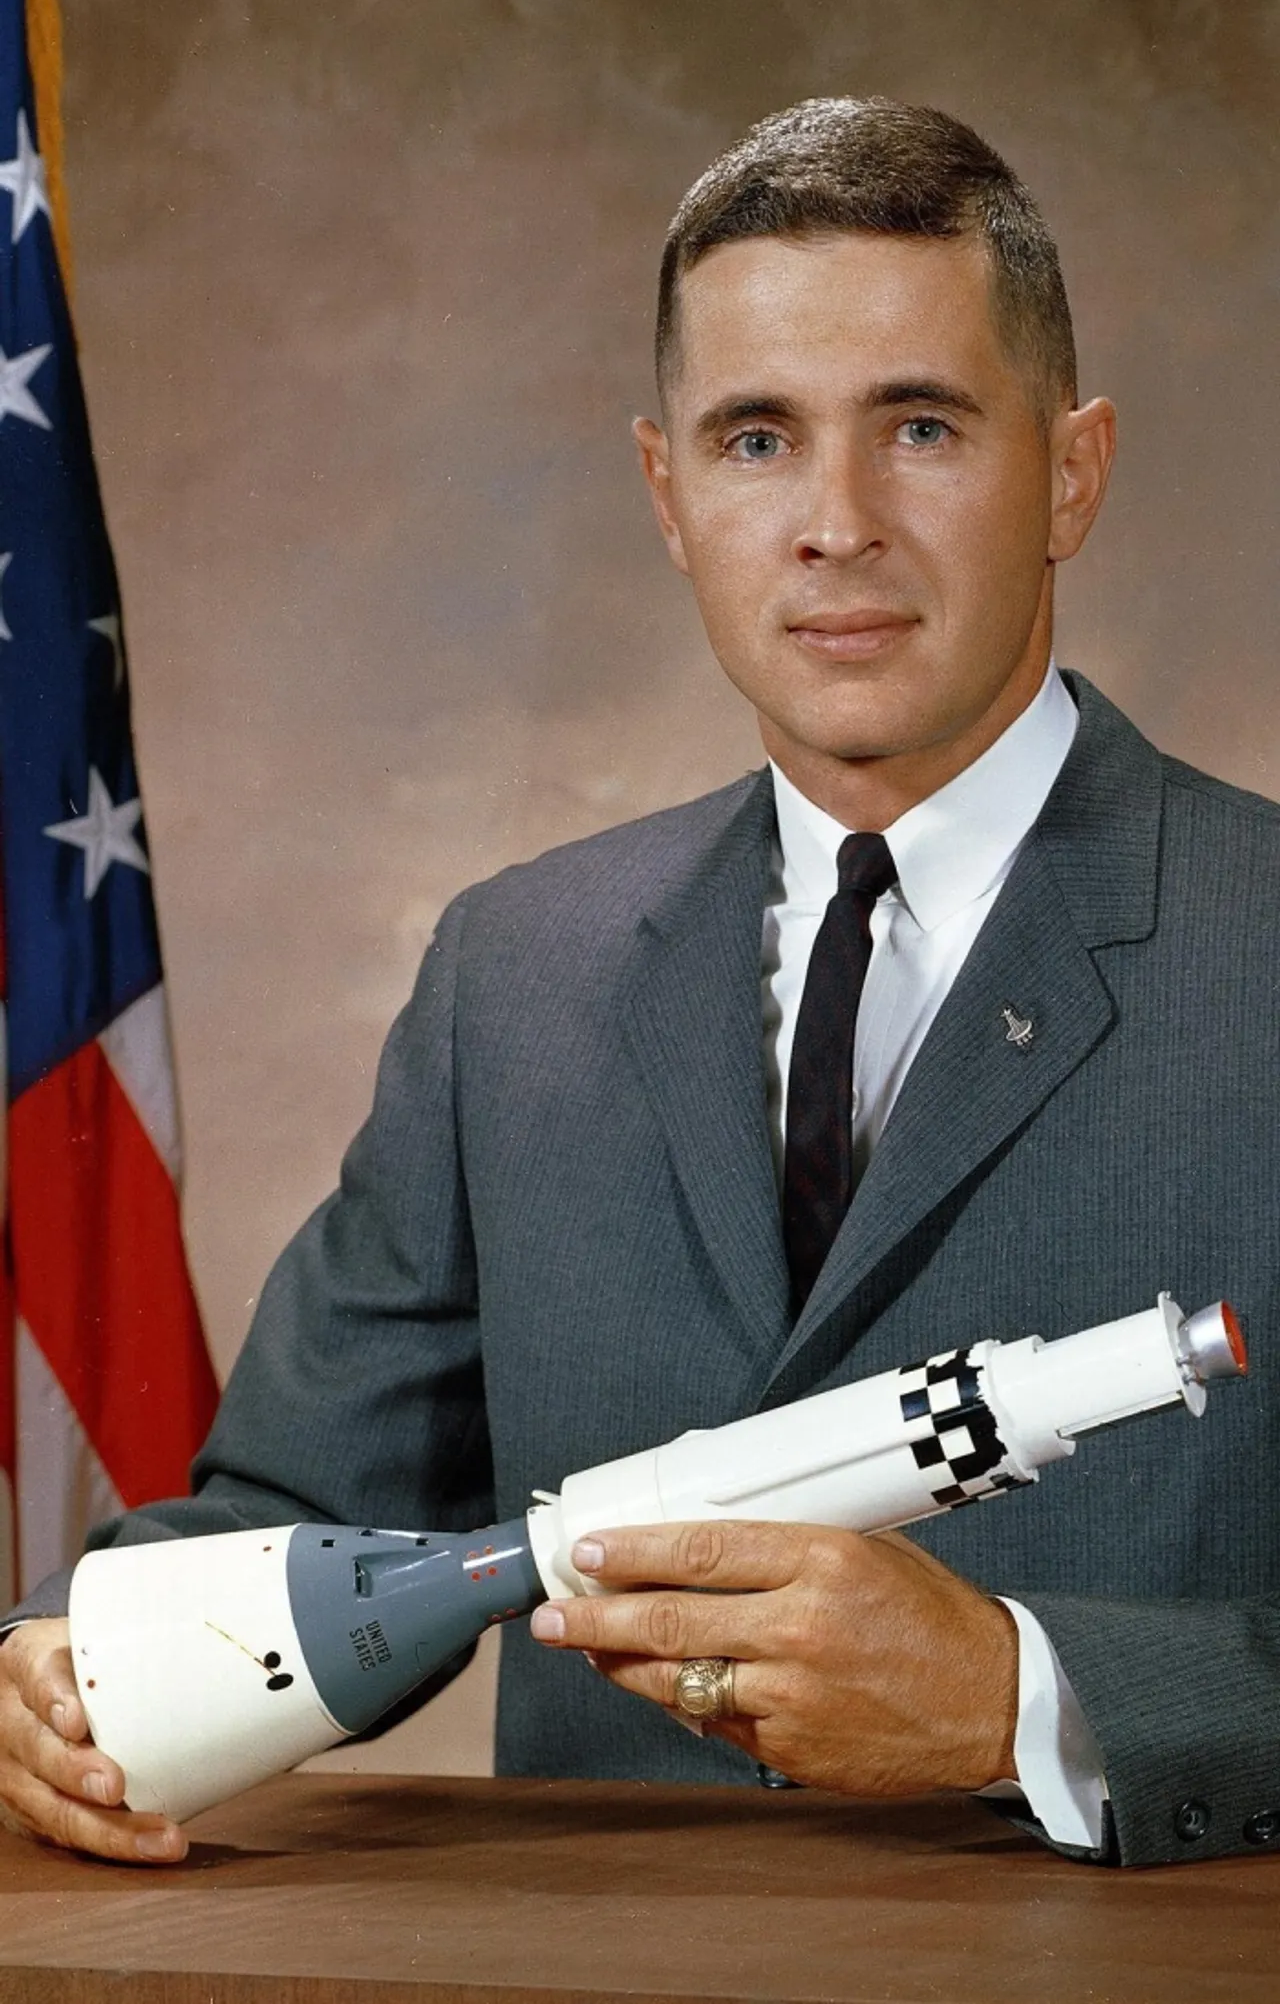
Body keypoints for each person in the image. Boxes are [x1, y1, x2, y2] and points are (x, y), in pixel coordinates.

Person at [2, 98, 1277, 1871]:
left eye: (921, 426)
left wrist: (1027, 1697)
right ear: (670, 496)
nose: (836, 524)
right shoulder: (516, 974)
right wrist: (65, 1664)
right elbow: (292, 1520)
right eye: (758, 439)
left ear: (1073, 471)